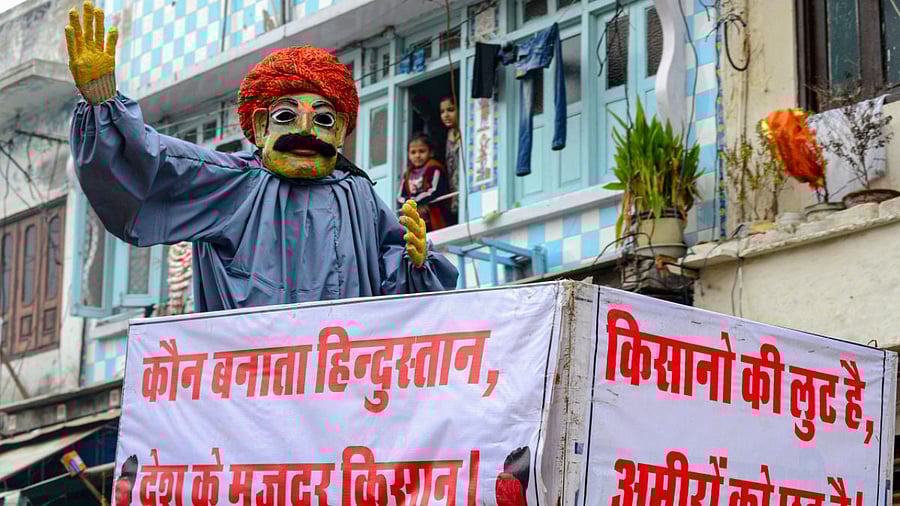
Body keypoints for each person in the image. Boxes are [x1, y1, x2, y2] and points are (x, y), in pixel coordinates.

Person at [65, 2, 457, 312]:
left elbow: (399, 295)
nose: (305, 131)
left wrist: (418, 263)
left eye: (322, 119)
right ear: (260, 124)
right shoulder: (232, 184)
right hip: (254, 390)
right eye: (287, 116)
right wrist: (104, 106)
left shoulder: (360, 196)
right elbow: (153, 163)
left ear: (339, 131)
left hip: (343, 387)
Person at [398, 133, 452, 231]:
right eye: (413, 152)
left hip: (434, 220)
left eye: (422, 151)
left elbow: (433, 191)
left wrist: (414, 201)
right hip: (415, 220)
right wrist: (411, 203)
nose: (417, 155)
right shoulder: (407, 173)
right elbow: (400, 197)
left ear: (431, 153)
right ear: (408, 155)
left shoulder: (434, 168)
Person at [439, 96, 461, 224]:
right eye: (442, 112)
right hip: (453, 187)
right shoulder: (446, 136)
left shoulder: (464, 131)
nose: (446, 115)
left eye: (451, 110)